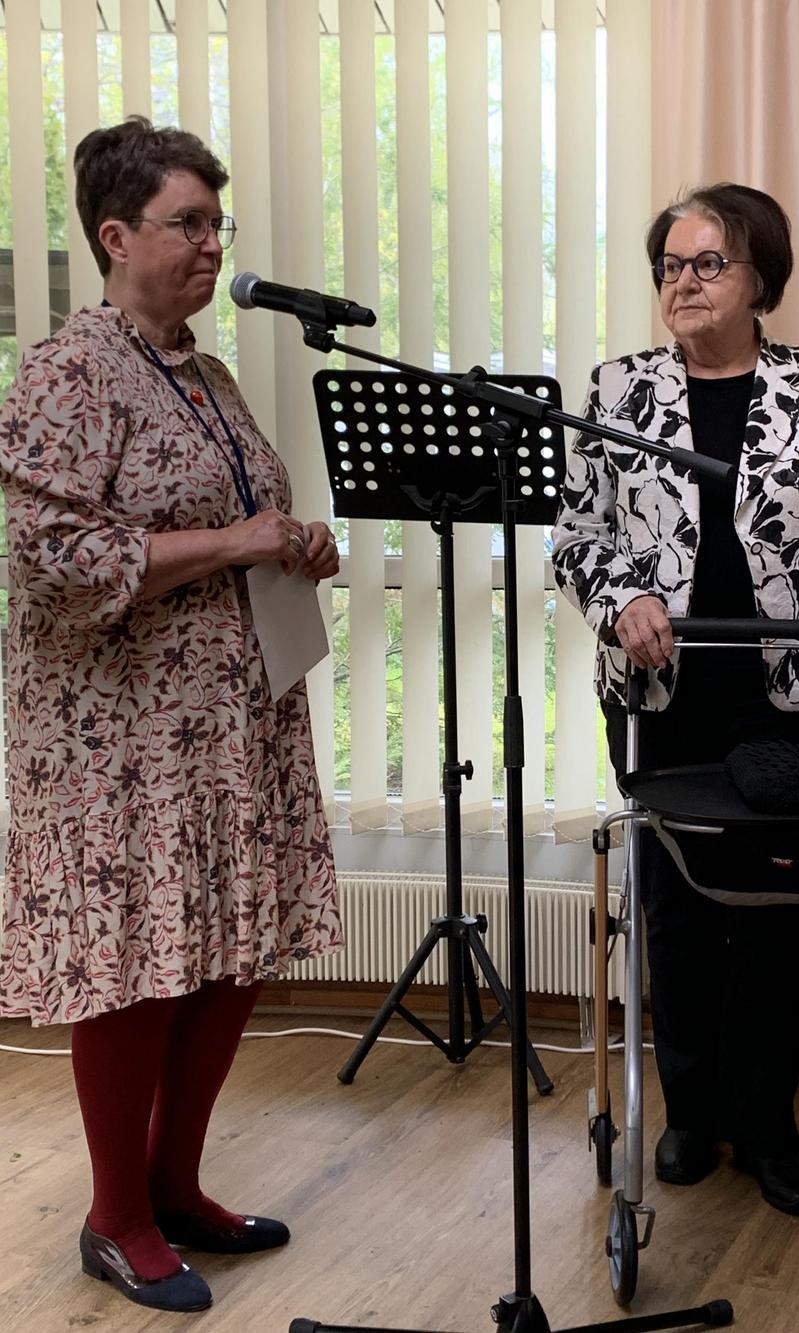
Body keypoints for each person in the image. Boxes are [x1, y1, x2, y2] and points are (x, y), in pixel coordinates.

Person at [0, 117, 343, 1312]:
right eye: (186, 224)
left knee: (224, 956)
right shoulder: (67, 373)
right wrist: (232, 542)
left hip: (229, 728)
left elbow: (237, 524)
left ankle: (177, 1184)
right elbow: (50, 556)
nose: (211, 245)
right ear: (115, 235)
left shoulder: (206, 373)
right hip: (116, 740)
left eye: (216, 224)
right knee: (135, 969)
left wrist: (293, 542)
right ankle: (118, 1217)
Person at [552, 183, 799, 1216]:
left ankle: (767, 1123)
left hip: (787, 685)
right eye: (670, 264)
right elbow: (579, 536)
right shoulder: (617, 389)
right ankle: (690, 1111)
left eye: (708, 262)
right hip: (663, 690)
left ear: (761, 279)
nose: (684, 281)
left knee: (779, 910)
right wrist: (622, 599)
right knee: (677, 905)